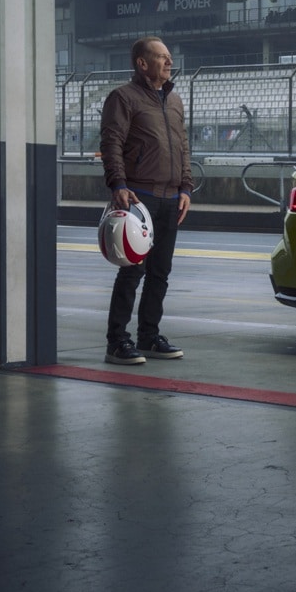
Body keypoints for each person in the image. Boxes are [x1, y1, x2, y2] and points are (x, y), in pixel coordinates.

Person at [99, 36, 193, 364]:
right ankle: (116, 341)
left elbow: (182, 146)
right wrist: (118, 184)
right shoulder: (123, 98)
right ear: (142, 63)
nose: (169, 62)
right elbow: (111, 142)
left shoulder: (175, 101)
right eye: (161, 57)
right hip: (139, 197)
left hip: (171, 198)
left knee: (160, 273)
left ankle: (149, 336)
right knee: (131, 272)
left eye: (169, 56)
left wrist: (186, 188)